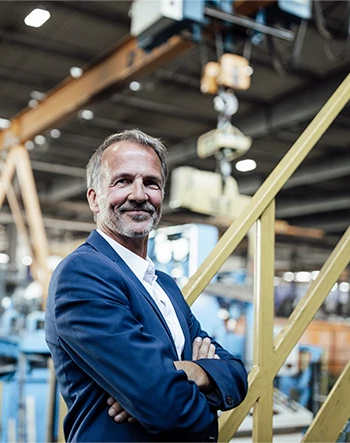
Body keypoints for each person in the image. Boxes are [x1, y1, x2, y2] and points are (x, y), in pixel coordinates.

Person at [45, 129, 248, 442]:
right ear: (94, 199)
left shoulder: (164, 284)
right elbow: (165, 405)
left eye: (151, 183)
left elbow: (236, 372)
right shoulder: (83, 274)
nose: (139, 194)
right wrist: (201, 384)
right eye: (123, 181)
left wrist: (196, 372)